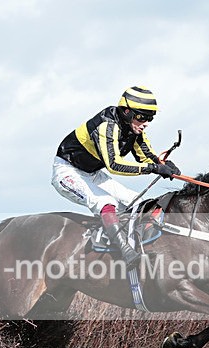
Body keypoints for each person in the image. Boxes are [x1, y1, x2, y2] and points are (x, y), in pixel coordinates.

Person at [52, 86, 180, 268]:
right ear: (126, 112)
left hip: (93, 174)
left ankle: (145, 245)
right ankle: (126, 253)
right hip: (67, 171)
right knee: (104, 202)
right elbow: (114, 165)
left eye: (150, 118)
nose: (146, 123)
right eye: (142, 117)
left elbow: (146, 154)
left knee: (140, 203)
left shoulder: (133, 129)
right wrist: (153, 169)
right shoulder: (107, 126)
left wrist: (163, 165)